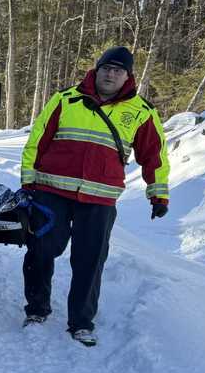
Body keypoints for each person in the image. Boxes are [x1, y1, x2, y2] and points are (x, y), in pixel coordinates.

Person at [20, 46, 170, 347]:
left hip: (99, 200)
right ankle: (37, 309)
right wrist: (28, 181)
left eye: (118, 70)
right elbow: (37, 140)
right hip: (52, 192)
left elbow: (155, 156)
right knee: (41, 249)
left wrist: (159, 194)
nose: (110, 74)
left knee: (90, 261)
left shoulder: (142, 112)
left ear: (128, 76)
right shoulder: (65, 100)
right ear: (97, 70)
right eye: (106, 68)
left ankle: (81, 322)